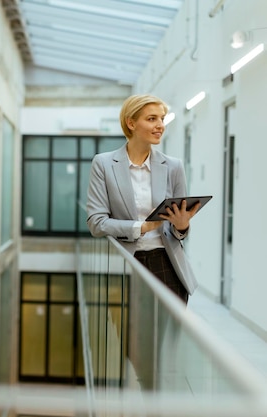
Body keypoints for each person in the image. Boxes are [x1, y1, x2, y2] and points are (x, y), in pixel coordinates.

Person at [87, 94, 201, 390]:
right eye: (152, 119)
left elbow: (179, 231)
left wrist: (182, 225)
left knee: (161, 349)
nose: (160, 125)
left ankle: (155, 397)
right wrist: (142, 226)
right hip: (127, 265)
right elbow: (96, 222)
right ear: (131, 123)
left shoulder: (173, 166)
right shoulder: (104, 164)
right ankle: (150, 390)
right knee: (133, 347)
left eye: (162, 119)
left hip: (167, 266)